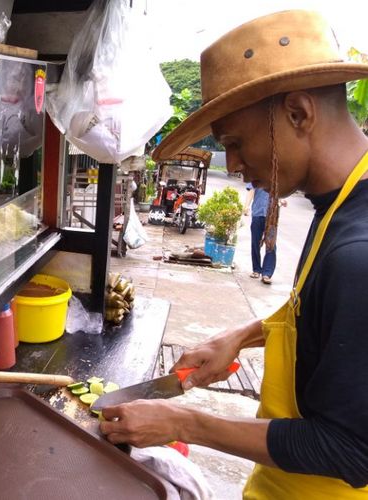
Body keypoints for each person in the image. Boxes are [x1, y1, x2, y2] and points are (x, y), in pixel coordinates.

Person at [99, 10, 368, 498]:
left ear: (299, 113)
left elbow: (351, 450)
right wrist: (240, 337)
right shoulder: (340, 205)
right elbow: (320, 311)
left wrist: (184, 423)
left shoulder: (360, 252)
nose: (236, 166)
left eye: (236, 144)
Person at [244, 184, 287, 284]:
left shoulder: (278, 177)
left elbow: (280, 193)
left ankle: (267, 273)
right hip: (258, 213)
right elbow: (251, 190)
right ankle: (256, 270)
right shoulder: (258, 174)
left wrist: (281, 201)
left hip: (272, 216)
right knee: (255, 243)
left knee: (271, 244)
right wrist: (246, 206)